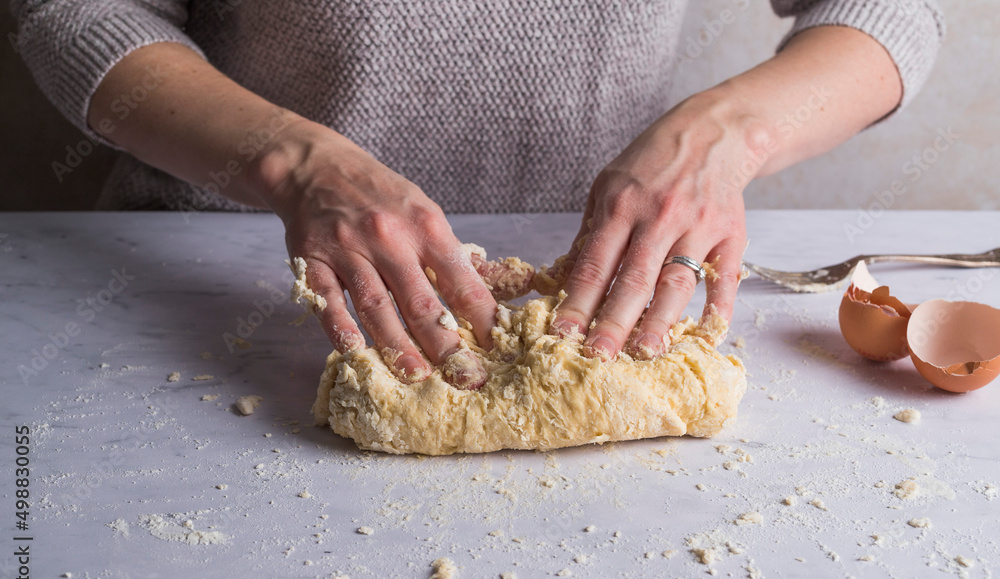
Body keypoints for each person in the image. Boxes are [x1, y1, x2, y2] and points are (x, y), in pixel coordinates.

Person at [13, 0, 944, 389]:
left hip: (600, 273)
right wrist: (291, 162)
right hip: (227, 265)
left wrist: (731, 136)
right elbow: (72, 13)